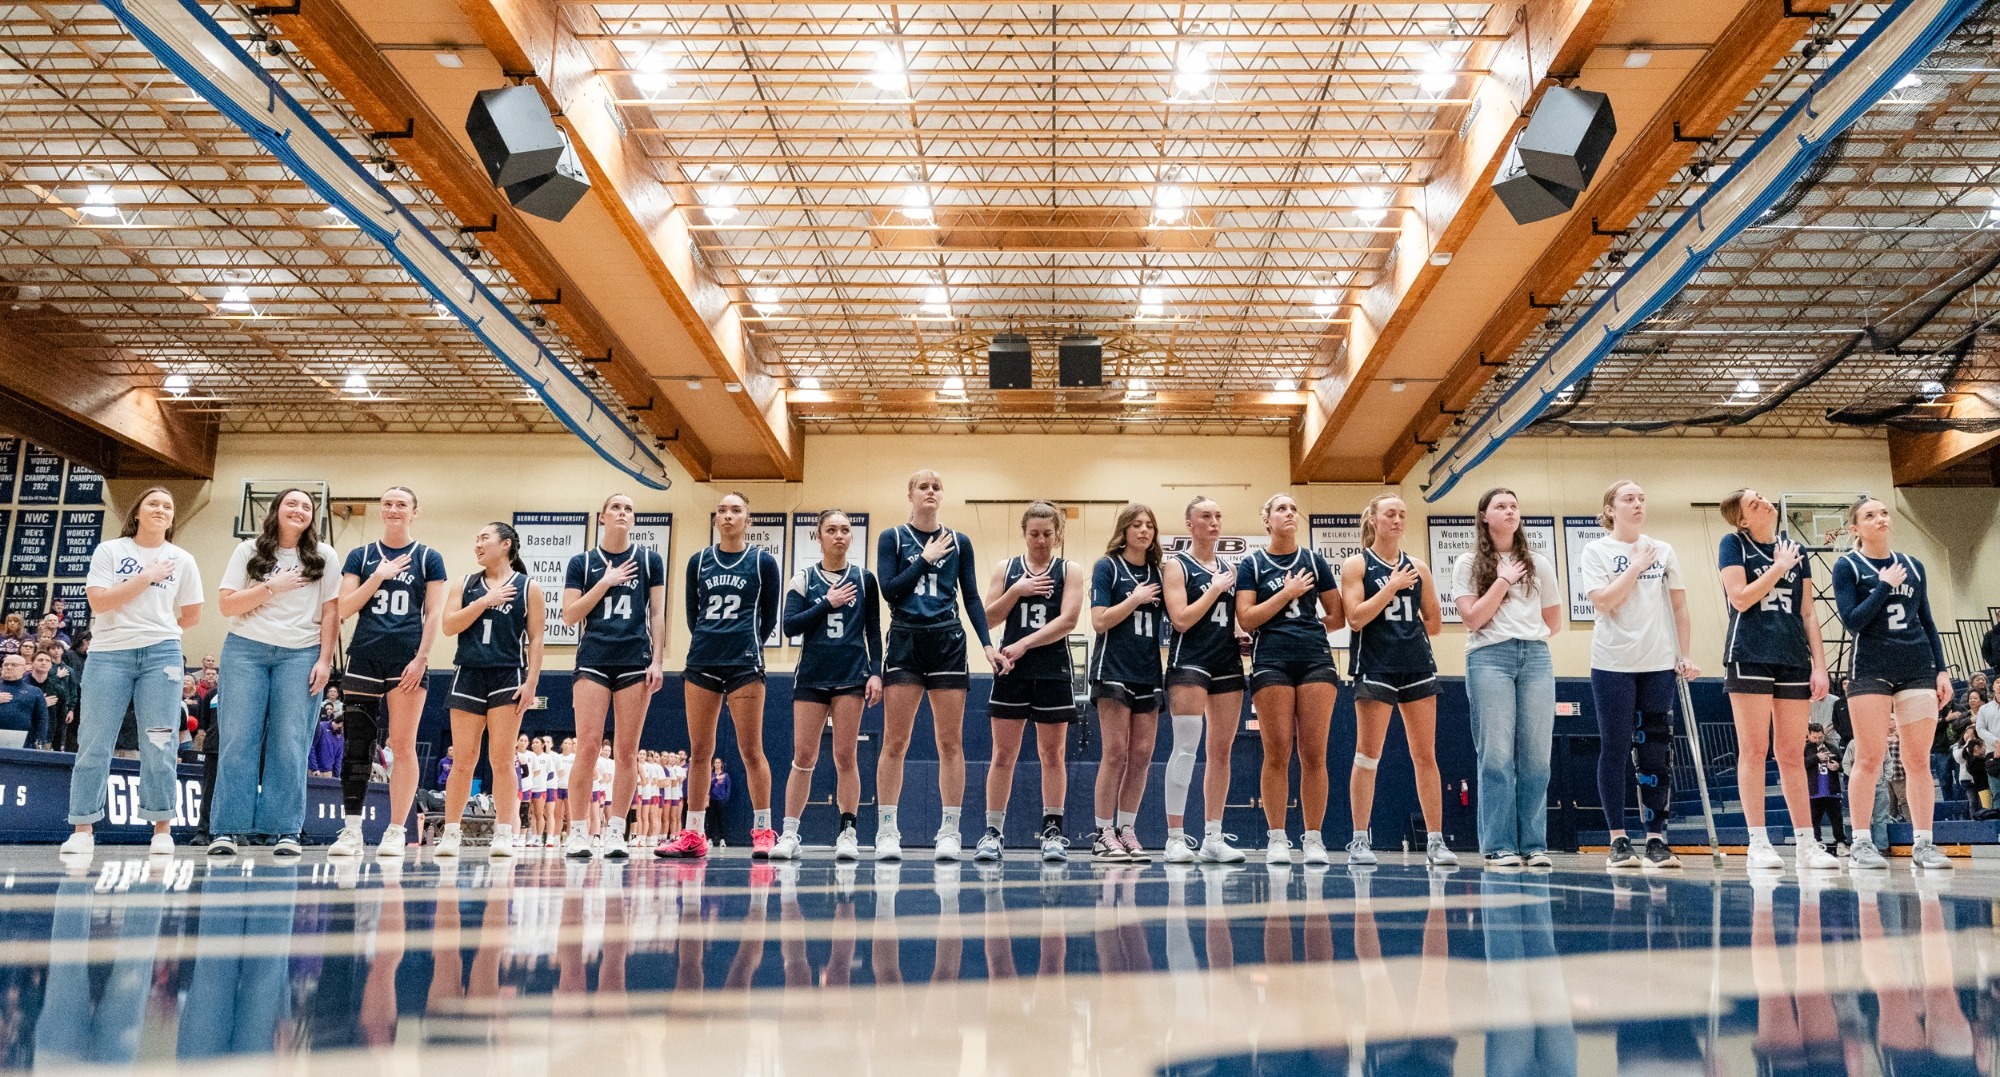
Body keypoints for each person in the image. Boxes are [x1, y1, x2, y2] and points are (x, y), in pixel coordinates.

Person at [873, 469, 1009, 861]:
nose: (930, 492)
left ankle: (950, 830)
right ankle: (887, 830)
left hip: (947, 640)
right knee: (895, 741)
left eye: (936, 487)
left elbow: (970, 597)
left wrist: (986, 644)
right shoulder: (892, 538)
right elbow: (889, 589)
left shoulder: (960, 542)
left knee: (950, 742)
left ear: (941, 496)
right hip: (905, 639)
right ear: (910, 494)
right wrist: (924, 559)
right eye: (923, 486)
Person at [209, 487, 340, 857]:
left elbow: (332, 612)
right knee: (238, 740)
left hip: (301, 654)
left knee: (290, 743)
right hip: (245, 650)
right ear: (276, 510)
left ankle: (285, 830)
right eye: (291, 503)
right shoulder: (248, 551)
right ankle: (226, 830)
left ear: (312, 516)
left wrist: (325, 659)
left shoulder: (324, 556)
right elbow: (226, 605)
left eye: (306, 506)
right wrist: (272, 587)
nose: (299, 509)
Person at [1714, 488, 1839, 872]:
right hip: (1749, 652)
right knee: (1754, 749)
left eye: (1763, 498)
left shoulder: (1794, 550)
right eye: (1754, 504)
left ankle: (1806, 843)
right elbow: (1739, 598)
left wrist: (1820, 664)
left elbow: (1808, 613)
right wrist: (1777, 568)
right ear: (1743, 520)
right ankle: (1758, 841)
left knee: (1791, 753)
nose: (1765, 503)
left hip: (1792, 656)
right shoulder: (1732, 544)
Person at [1580, 479, 1697, 872]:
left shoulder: (1664, 549)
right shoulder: (1596, 549)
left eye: (1642, 498)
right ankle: (1618, 840)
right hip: (1613, 662)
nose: (1637, 504)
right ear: (1610, 508)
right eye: (1628, 499)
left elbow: (1679, 607)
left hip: (1658, 662)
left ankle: (1657, 839)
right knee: (1614, 748)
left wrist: (1684, 654)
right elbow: (1605, 601)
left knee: (1656, 753)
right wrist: (1635, 565)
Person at [1833, 495, 1953, 870]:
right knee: (1869, 758)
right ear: (1856, 527)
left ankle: (1924, 843)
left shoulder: (1914, 566)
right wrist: (1883, 585)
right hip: (1870, 669)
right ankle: (1862, 842)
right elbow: (1852, 621)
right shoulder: (1848, 566)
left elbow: (1928, 621)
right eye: (1871, 515)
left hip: (1917, 666)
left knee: (1918, 760)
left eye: (1884, 513)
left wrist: (1942, 669)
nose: (1881, 518)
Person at [662, 492, 782, 860]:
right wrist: (711, 642)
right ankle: (694, 834)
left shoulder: (763, 562)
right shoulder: (698, 561)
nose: (728, 516)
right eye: (722, 511)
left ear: (748, 519)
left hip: (745, 661)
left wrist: (746, 645)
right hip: (703, 660)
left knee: (751, 750)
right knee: (700, 751)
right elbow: (691, 614)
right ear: (716, 519)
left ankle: (763, 830)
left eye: (737, 510)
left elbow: (768, 618)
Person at [330, 487, 447, 859]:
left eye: (402, 504)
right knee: (357, 745)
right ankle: (351, 830)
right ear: (381, 511)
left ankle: (396, 830)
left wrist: (423, 657)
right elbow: (345, 607)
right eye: (388, 504)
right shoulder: (361, 555)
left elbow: (434, 614)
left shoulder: (429, 557)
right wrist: (377, 576)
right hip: (364, 655)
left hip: (406, 660)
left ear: (415, 511)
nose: (394, 509)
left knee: (402, 745)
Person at [1342, 493, 1453, 868]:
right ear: (1373, 519)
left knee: (1425, 756)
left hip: (1417, 664)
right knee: (1367, 755)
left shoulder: (1419, 567)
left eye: (1403, 514)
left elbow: (1435, 623)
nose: (1398, 520)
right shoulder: (1356, 564)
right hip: (1375, 665)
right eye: (1390, 514)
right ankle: (1359, 840)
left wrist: (1406, 629)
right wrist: (1390, 587)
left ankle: (1436, 842)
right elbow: (1355, 618)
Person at [1453, 487, 1561, 869]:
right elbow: (1472, 619)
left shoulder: (1539, 564)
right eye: (1501, 506)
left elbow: (1554, 621)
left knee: (1536, 758)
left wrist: (1529, 635)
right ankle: (1499, 845)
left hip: (1534, 656)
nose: (1510, 511)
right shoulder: (1468, 563)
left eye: (1515, 505)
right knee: (1496, 756)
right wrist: (1502, 580)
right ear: (1484, 516)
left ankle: (1534, 844)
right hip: (1489, 657)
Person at [1234, 493, 1344, 865]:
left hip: (1315, 658)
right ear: (1266, 520)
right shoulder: (1252, 563)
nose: (1289, 513)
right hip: (1271, 660)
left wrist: (1305, 625)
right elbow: (1247, 618)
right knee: (1277, 750)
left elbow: (1337, 616)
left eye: (1294, 508)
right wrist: (1288, 594)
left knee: (1314, 753)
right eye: (1281, 508)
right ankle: (1277, 838)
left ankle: (1313, 838)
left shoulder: (1315, 560)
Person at [773, 509, 883, 862]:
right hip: (812, 676)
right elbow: (790, 626)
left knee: (845, 756)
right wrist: (827, 602)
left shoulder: (865, 579)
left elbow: (874, 632)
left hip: (851, 676)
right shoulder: (803, 578)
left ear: (851, 537)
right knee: (803, 756)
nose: (839, 535)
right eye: (831, 530)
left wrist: (876, 671)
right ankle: (789, 832)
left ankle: (848, 832)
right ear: (817, 537)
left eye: (845, 530)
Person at [561, 493, 666, 859]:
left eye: (629, 508)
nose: (623, 512)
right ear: (603, 516)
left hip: (635, 660)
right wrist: (605, 582)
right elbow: (570, 615)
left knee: (626, 751)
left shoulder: (650, 560)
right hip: (593, 658)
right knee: (587, 747)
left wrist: (658, 660)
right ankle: (577, 832)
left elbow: (656, 614)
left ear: (633, 519)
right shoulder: (582, 562)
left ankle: (617, 831)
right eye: (616, 507)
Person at [980, 501, 1082, 863]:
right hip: (1011, 671)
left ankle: (1053, 831)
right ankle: (993, 832)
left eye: (1047, 534)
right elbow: (987, 619)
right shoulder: (1005, 569)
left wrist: (1023, 643)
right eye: (1034, 533)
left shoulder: (1070, 569)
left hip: (1052, 669)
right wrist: (1016, 592)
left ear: (1057, 535)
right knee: (1003, 755)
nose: (1040, 540)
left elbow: (1069, 620)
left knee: (1052, 754)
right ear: (1024, 533)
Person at [435, 521, 543, 858]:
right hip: (468, 672)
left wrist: (532, 683)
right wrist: (485, 601)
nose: (477, 544)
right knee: (464, 760)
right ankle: (451, 832)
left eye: (484, 538)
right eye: (476, 539)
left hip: (507, 675)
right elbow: (449, 626)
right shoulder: (465, 583)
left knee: (502, 759)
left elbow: (537, 638)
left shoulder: (528, 587)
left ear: (506, 544)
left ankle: (504, 833)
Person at [1086, 504, 1166, 863]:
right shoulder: (1107, 566)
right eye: (1137, 524)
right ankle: (1103, 832)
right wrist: (1133, 600)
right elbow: (1100, 621)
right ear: (1124, 530)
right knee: (1115, 752)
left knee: (1142, 755)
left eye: (1149, 525)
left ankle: (1127, 829)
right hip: (1113, 669)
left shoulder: (1159, 572)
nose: (1144, 531)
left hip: (1148, 670)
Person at [1804, 725, 1847, 849]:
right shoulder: (1805, 749)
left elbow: (1844, 763)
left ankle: (1841, 843)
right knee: (1814, 820)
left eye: (1820, 737)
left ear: (1824, 734)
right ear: (1809, 735)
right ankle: (1815, 843)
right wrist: (1816, 758)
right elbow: (1800, 764)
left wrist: (1837, 767)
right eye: (1815, 737)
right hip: (1813, 792)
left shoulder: (1832, 747)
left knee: (1837, 819)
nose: (1818, 739)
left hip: (1832, 791)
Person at [0, 653, 50, 752]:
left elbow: (42, 719)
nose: (9, 667)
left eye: (14, 665)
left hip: (24, 745)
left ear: (24, 669)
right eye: (6, 664)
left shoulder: (35, 691)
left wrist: (39, 740)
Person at [29, 646, 74, 751]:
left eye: (47, 661)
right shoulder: (23, 685)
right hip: (24, 735)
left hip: (46, 737)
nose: (44, 663)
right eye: (40, 660)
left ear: (50, 665)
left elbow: (60, 720)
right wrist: (41, 704)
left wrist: (58, 745)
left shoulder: (58, 690)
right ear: (32, 663)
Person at [706, 755, 732, 846]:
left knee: (721, 820)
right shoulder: (710, 774)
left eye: (718, 763)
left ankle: (722, 839)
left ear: (721, 764)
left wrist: (725, 799)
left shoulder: (725, 775)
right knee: (711, 820)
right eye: (715, 763)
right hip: (711, 800)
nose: (717, 764)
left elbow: (728, 788)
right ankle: (709, 839)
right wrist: (714, 780)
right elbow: (707, 787)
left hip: (721, 801)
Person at [308, 712, 342, 778]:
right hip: (315, 771)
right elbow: (311, 747)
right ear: (341, 723)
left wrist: (337, 775)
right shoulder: (321, 727)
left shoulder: (340, 736)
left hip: (329, 773)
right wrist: (314, 768)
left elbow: (338, 756)